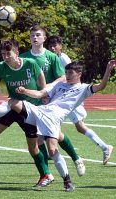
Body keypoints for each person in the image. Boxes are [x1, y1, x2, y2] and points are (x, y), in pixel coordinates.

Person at [0, 39, 58, 189]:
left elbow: (42, 85)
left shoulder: (30, 64)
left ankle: (45, 174)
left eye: (8, 54)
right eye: (3, 54)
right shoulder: (2, 67)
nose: (6, 57)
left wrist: (41, 96)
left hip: (29, 111)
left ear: (17, 53)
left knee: (33, 148)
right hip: (11, 108)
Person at [20, 25, 85, 175]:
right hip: (31, 101)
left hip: (48, 102)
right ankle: (46, 173)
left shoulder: (51, 56)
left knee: (55, 135)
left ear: (44, 38)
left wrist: (47, 89)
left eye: (38, 35)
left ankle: (76, 158)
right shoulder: (23, 57)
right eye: (32, 35)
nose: (35, 38)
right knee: (37, 137)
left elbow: (62, 77)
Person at [47, 35, 113, 164]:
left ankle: (105, 147)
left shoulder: (63, 58)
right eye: (50, 46)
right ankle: (105, 147)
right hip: (63, 96)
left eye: (55, 45)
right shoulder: (52, 58)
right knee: (78, 126)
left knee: (73, 125)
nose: (52, 48)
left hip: (71, 98)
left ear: (61, 45)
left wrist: (77, 95)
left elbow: (73, 76)